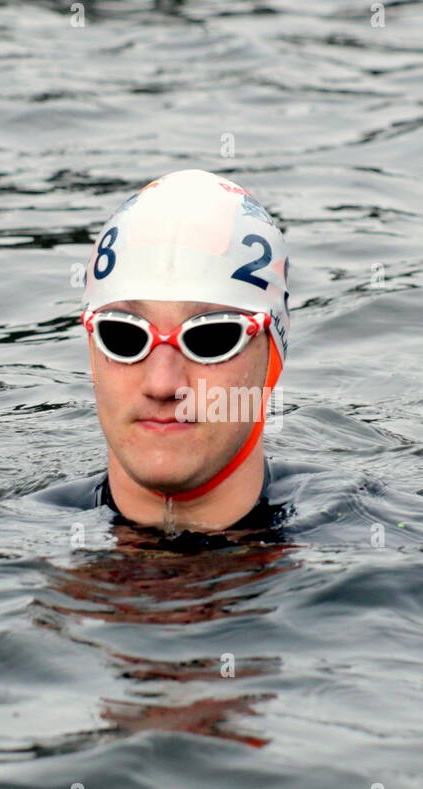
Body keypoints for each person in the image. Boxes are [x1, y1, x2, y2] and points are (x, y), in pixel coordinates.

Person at [40, 169, 293, 534]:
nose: (162, 385)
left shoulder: (365, 543)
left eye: (212, 338)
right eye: (124, 335)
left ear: (272, 355)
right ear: (92, 350)